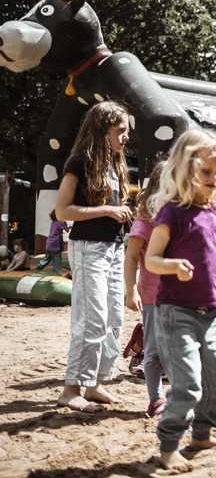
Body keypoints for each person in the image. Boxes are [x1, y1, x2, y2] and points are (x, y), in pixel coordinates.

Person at [144, 128, 216, 470]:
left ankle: (202, 433)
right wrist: (171, 265)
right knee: (187, 384)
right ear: (186, 170)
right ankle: (169, 444)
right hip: (176, 313)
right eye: (206, 172)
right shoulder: (173, 212)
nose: (214, 178)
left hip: (213, 312)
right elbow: (151, 259)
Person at [54, 101, 132, 413]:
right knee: (92, 319)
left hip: (114, 248)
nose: (125, 137)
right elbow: (63, 211)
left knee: (114, 317)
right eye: (120, 130)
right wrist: (108, 210)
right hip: (88, 248)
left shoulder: (115, 165)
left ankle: (95, 383)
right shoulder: (79, 163)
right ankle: (71, 388)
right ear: (102, 131)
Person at [123, 160, 167, 416]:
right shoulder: (145, 220)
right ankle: (156, 399)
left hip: (180, 295)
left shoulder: (181, 215)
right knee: (154, 350)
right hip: (153, 295)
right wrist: (131, 291)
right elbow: (131, 257)